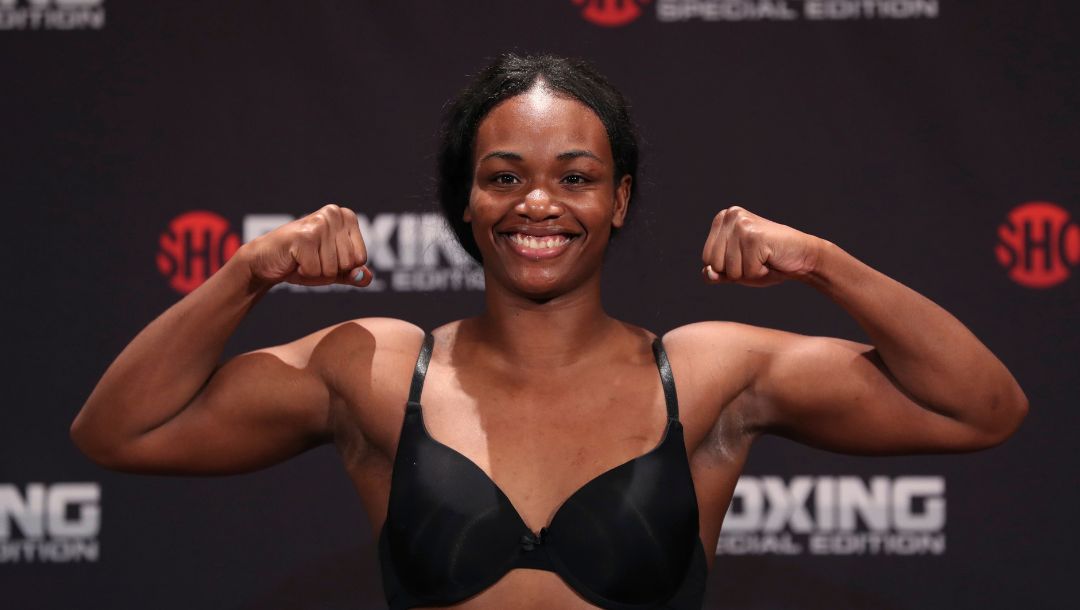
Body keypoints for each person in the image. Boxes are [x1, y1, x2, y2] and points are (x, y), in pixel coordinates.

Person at [71, 54, 1028, 610]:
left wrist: (825, 263)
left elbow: (984, 409)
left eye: (575, 177)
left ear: (619, 202)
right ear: (467, 204)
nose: (538, 202)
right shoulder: (373, 368)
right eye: (502, 177)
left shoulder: (704, 374)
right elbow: (121, 432)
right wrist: (246, 275)